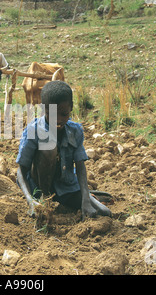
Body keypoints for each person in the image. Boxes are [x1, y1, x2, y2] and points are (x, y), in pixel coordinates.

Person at [16, 80, 112, 220]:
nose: (58, 120)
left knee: (104, 212)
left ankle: (87, 196)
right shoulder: (34, 130)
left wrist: (85, 199)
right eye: (52, 115)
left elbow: (80, 166)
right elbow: (21, 170)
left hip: (66, 187)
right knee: (49, 146)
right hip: (38, 186)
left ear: (71, 108)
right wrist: (31, 201)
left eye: (64, 114)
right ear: (44, 110)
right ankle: (45, 197)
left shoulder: (75, 130)